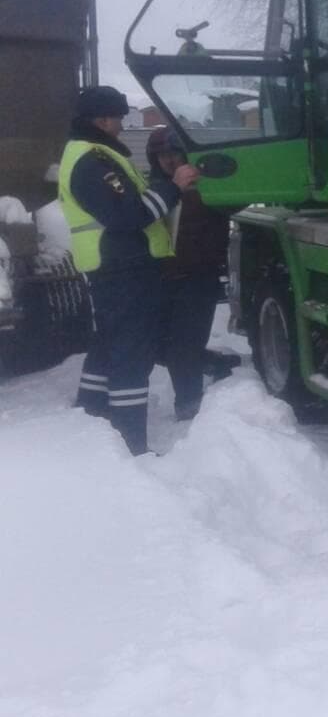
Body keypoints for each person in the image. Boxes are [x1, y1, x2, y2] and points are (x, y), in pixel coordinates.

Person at [58, 86, 199, 455]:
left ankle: (90, 414)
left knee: (108, 344)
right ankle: (129, 441)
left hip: (116, 266)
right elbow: (128, 215)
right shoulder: (92, 160)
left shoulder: (94, 155)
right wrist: (173, 187)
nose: (121, 125)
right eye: (118, 118)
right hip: (123, 267)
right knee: (131, 355)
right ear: (102, 119)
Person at [146, 128, 233, 420]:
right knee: (158, 345)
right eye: (162, 155)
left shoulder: (207, 188)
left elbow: (239, 199)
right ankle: (214, 364)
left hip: (198, 278)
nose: (169, 160)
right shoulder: (149, 191)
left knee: (184, 345)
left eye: (174, 154)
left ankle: (188, 405)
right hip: (160, 279)